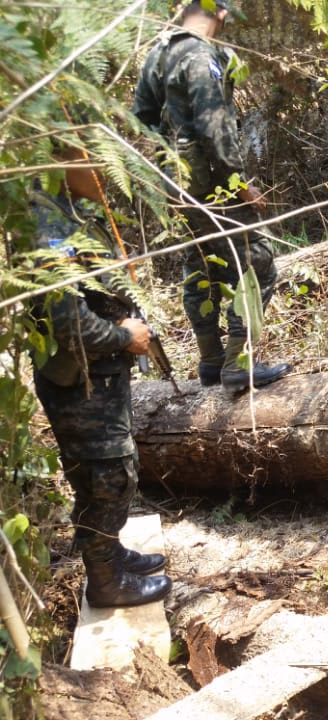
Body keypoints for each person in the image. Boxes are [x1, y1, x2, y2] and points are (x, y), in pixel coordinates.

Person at [28, 152, 173, 608]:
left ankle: (109, 554)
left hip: (100, 378)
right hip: (80, 382)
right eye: (93, 162)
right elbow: (69, 323)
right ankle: (106, 582)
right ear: (62, 161)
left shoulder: (70, 211)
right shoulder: (45, 222)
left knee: (106, 477)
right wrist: (123, 337)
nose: (105, 175)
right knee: (108, 479)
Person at [132, 0, 289, 393]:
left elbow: (142, 120)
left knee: (201, 263)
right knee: (256, 263)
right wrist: (238, 183)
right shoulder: (201, 54)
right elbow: (213, 124)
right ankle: (239, 362)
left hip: (176, 183)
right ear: (220, 11)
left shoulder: (159, 52)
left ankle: (211, 360)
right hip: (211, 184)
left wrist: (170, 163)